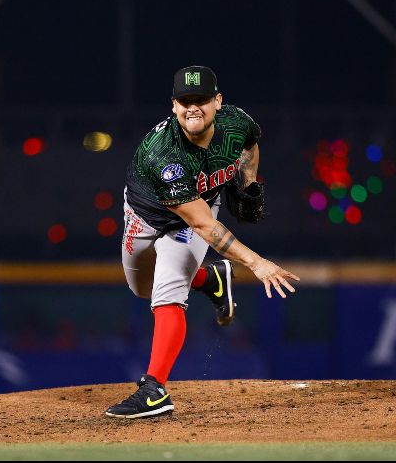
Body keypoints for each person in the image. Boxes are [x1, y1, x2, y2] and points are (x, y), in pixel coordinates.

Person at [105, 66, 300, 419]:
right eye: (185, 101)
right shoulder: (163, 154)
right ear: (174, 105)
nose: (193, 108)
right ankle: (211, 279)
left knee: (167, 294)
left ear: (218, 102)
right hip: (146, 217)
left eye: (202, 100)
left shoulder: (237, 123)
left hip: (197, 211)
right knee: (141, 288)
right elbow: (204, 226)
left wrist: (250, 180)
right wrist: (257, 263)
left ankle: (154, 390)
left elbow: (251, 144)